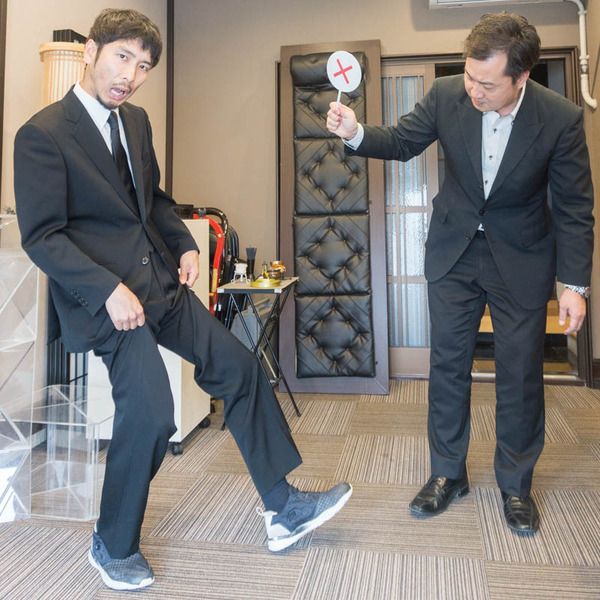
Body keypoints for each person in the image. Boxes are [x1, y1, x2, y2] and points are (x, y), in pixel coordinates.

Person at [14, 8, 351, 591]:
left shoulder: (136, 121)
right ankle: (112, 543)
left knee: (240, 367)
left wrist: (185, 243)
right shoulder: (42, 134)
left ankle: (282, 507)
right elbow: (43, 237)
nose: (131, 76)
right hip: (109, 302)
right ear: (91, 52)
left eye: (143, 66)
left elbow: (153, 201)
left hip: (161, 285)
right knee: (152, 414)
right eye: (123, 57)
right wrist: (107, 289)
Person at [327, 12, 593, 534]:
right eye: (470, 76)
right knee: (447, 365)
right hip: (454, 252)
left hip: (522, 257)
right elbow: (401, 142)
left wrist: (575, 285)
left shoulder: (560, 118)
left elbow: (574, 208)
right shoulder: (448, 94)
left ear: (521, 77)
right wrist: (355, 132)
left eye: (487, 84)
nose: (474, 90)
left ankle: (516, 484)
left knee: (520, 374)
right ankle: (448, 473)